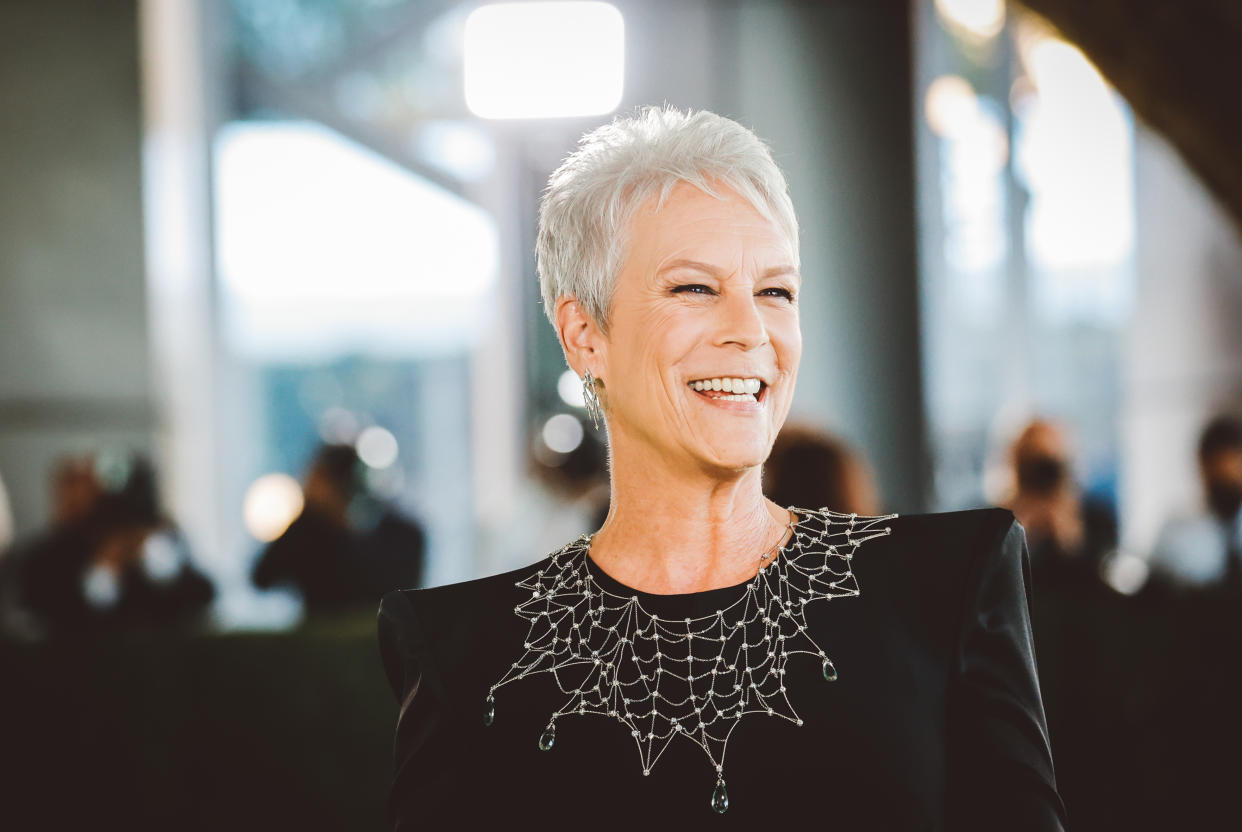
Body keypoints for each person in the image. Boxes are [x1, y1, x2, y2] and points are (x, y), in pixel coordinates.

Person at [377, 105, 1066, 829]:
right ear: (584, 336)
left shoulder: (950, 585)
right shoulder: (462, 656)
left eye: (776, 291)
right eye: (695, 288)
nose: (749, 331)